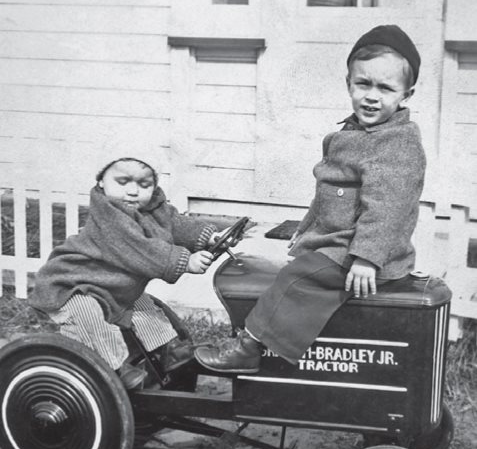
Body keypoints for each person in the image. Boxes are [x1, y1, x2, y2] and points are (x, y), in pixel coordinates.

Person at [195, 24, 426, 373]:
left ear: (406, 95)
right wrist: (306, 236)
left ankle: (249, 348)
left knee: (300, 278)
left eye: (386, 88)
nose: (372, 96)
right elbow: (330, 195)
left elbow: (389, 208)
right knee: (295, 265)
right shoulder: (355, 132)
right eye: (363, 84)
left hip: (361, 252)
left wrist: (367, 258)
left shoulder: (397, 142)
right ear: (348, 83)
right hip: (340, 243)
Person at [30, 145, 221, 389]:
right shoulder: (109, 215)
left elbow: (176, 224)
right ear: (101, 182)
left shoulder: (153, 208)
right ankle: (115, 369)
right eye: (122, 182)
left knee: (143, 306)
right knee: (90, 316)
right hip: (72, 285)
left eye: (144, 184)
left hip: (110, 285)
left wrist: (208, 236)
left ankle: (169, 349)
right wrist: (185, 261)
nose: (133, 191)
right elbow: (138, 248)